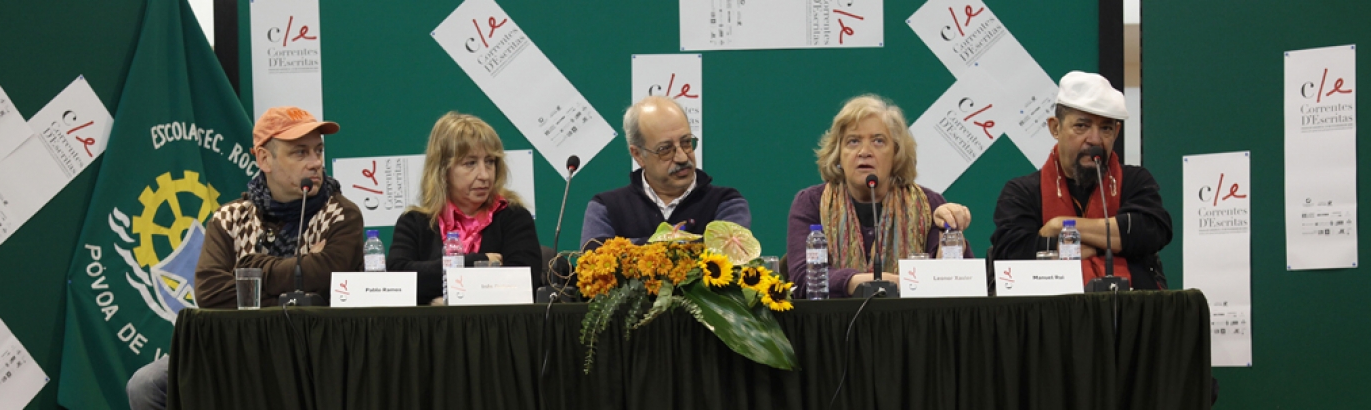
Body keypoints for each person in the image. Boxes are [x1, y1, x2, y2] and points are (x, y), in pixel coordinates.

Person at [126, 106, 365, 410]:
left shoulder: (341, 215)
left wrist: (252, 267)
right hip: (234, 347)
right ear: (264, 159)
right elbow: (210, 293)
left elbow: (325, 279)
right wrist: (292, 292)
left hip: (312, 350)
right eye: (300, 153)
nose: (316, 163)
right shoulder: (230, 217)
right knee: (146, 385)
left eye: (318, 151)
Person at [989, 71, 1171, 290]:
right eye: (1081, 126)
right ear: (1055, 128)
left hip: (1130, 314)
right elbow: (1013, 254)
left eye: (1105, 128)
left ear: (1116, 131)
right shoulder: (1021, 192)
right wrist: (1105, 242)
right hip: (1049, 317)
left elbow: (1149, 231)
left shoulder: (1134, 180)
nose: (1094, 140)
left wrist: (1059, 227)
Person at [786, 94, 973, 298]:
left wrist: (949, 232)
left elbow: (957, 285)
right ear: (838, 153)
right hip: (835, 326)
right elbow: (802, 279)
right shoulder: (812, 203)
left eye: (878, 141)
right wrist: (875, 282)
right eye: (853, 141)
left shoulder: (929, 205)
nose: (864, 151)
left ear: (896, 154)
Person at [387, 112, 542, 306]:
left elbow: (522, 283)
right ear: (443, 170)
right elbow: (397, 280)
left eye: (490, 162)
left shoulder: (513, 217)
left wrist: (441, 292)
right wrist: (478, 262)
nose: (484, 175)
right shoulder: (414, 222)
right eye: (470, 163)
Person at [580, 96, 750, 248]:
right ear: (638, 154)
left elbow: (729, 250)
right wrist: (692, 244)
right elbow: (595, 257)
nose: (682, 157)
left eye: (686, 142)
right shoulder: (606, 207)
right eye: (665, 149)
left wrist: (632, 245)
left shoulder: (727, 202)